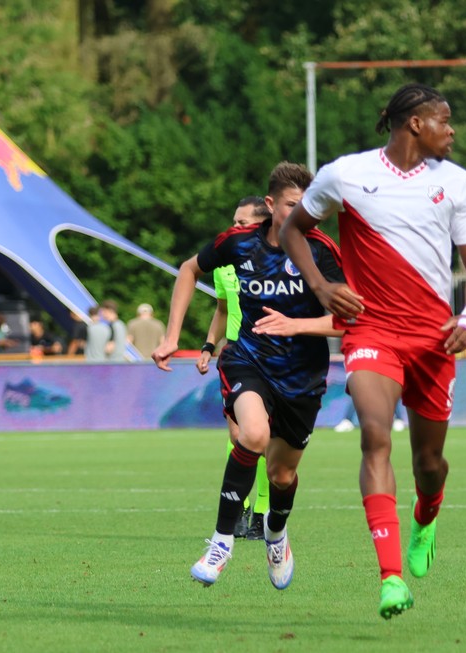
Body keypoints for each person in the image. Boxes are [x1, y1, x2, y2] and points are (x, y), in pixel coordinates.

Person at [279, 83, 466, 619]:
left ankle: (427, 514)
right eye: (444, 121)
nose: (452, 130)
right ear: (414, 124)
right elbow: (293, 229)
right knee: (374, 435)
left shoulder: (456, 182)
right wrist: (323, 288)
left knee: (430, 463)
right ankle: (390, 577)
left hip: (433, 338)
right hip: (371, 331)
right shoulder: (345, 174)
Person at [152, 161, 345, 590]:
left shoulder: (321, 251)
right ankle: (221, 542)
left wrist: (298, 326)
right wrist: (171, 337)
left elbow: (352, 319)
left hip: (303, 376)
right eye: (294, 205)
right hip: (249, 360)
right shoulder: (238, 244)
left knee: (281, 475)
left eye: (309, 205)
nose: (303, 212)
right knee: (251, 436)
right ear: (272, 204)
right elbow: (188, 269)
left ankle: (276, 534)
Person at [197, 196, 272, 540]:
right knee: (238, 436)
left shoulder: (275, 258)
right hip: (236, 354)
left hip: (272, 354)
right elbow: (222, 310)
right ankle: (241, 507)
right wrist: (208, 347)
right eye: (234, 222)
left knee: (267, 439)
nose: (235, 229)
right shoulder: (224, 264)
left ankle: (261, 513)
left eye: (242, 224)